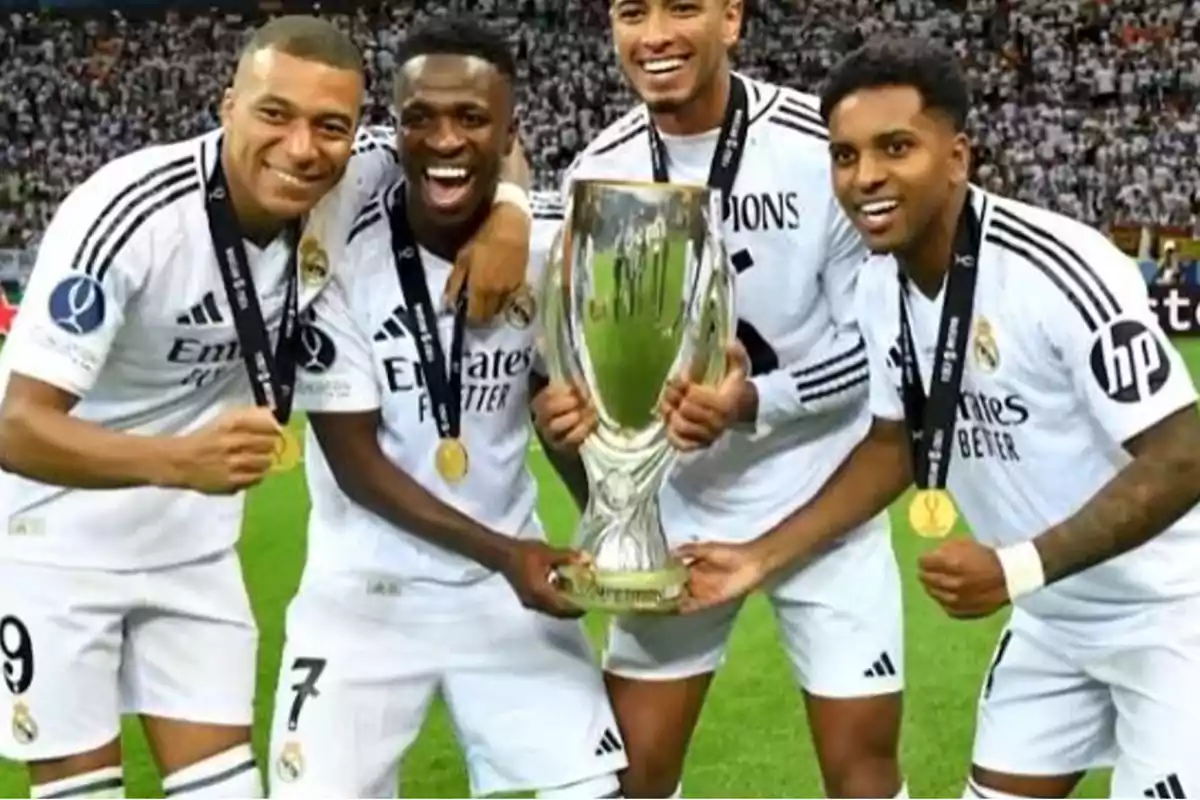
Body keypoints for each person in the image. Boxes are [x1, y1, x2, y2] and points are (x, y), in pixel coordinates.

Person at [0, 15, 532, 800]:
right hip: (56, 546)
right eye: (274, 114)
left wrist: (512, 215)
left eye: (331, 126)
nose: (302, 148)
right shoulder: (131, 215)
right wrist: (176, 462)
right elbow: (17, 427)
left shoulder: (353, 176)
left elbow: (481, 145)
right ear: (228, 106)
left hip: (196, 552)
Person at [682, 36, 1200, 800]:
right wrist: (759, 556)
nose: (866, 178)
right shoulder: (876, 290)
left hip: (1172, 617)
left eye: (896, 148)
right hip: (1053, 623)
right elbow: (896, 445)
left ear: (957, 157)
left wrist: (1015, 566)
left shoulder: (1059, 269)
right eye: (845, 156)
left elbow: (1183, 454)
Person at [534, 1, 907, 797]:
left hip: (821, 501)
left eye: (684, 8)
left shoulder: (822, 150)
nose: (656, 34)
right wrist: (583, 434)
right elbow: (584, 361)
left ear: (732, 19)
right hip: (680, 514)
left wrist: (752, 401)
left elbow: (875, 353)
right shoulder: (598, 175)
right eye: (632, 12)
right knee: (628, 777)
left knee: (863, 775)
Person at [266, 18, 626, 799]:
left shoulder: (552, 256)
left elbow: (554, 413)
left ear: (509, 134)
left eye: (471, 119)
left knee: (596, 789)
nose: (444, 139)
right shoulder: (336, 254)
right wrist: (505, 552)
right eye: (420, 117)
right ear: (393, 126)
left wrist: (607, 508)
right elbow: (355, 465)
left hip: (502, 595)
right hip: (363, 595)